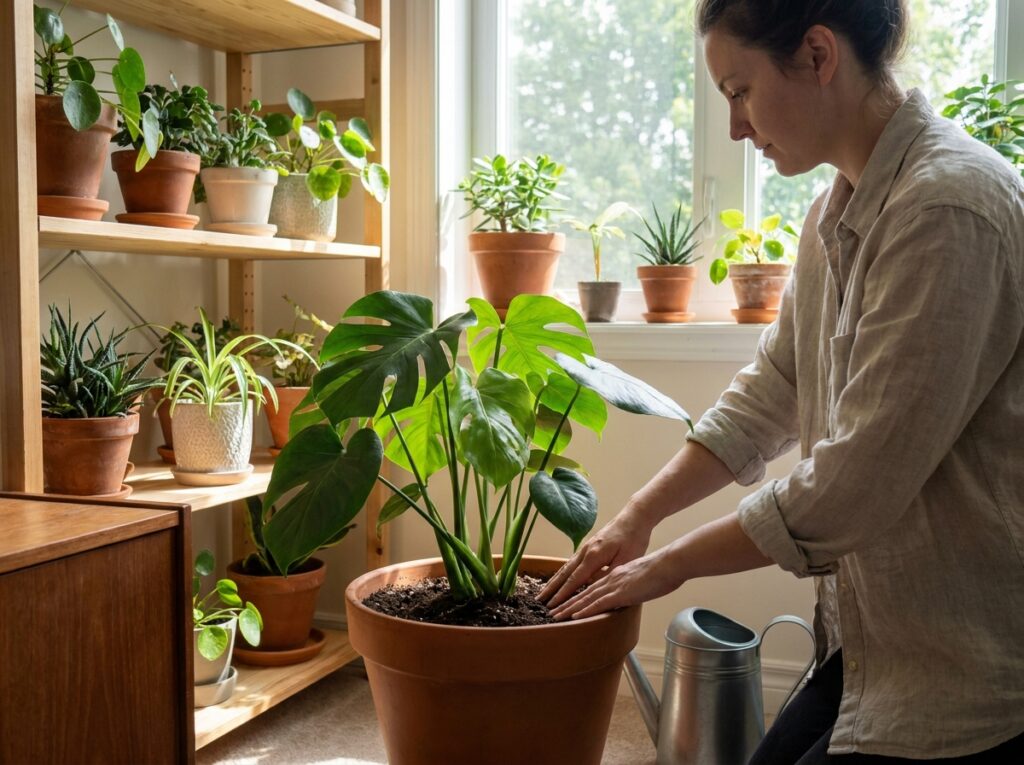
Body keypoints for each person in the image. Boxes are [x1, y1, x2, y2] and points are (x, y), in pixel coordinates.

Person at [539, 0, 1024, 762]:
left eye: (738, 90)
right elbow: (774, 386)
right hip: (873, 652)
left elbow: (851, 487)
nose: (734, 126)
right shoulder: (834, 215)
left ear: (819, 55)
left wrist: (667, 564)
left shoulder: (949, 208)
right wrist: (636, 518)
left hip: (964, 679)